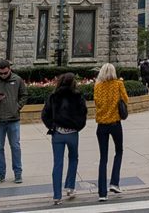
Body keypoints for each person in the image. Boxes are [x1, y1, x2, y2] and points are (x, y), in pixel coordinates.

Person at [41, 72, 88, 205]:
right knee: (73, 159)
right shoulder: (78, 96)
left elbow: (45, 115)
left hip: (58, 133)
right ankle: (70, 186)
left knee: (58, 163)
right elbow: (83, 113)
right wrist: (78, 126)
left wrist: (52, 126)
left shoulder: (54, 96)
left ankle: (57, 195)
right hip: (72, 133)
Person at [0, 58, 28, 185]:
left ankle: (18, 173)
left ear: (10, 69)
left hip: (13, 119)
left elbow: (24, 95)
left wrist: (17, 107)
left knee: (15, 146)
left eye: (5, 73)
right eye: (1, 73)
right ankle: (0, 174)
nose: (3, 75)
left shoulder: (17, 80)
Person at [93, 62, 129, 202]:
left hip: (101, 125)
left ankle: (102, 193)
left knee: (103, 158)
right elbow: (125, 99)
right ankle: (114, 182)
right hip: (115, 123)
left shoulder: (97, 86)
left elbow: (97, 103)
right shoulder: (118, 84)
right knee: (119, 151)